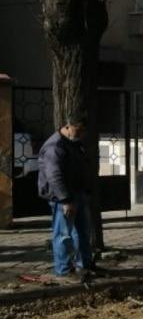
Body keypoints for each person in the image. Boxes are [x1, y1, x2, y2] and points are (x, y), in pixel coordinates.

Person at [37, 115, 93, 282]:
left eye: (84, 131)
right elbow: (54, 175)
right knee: (63, 234)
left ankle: (84, 265)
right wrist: (65, 199)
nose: (82, 133)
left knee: (82, 232)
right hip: (63, 198)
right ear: (68, 126)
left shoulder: (74, 143)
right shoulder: (55, 146)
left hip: (77, 193)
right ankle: (63, 270)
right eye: (79, 130)